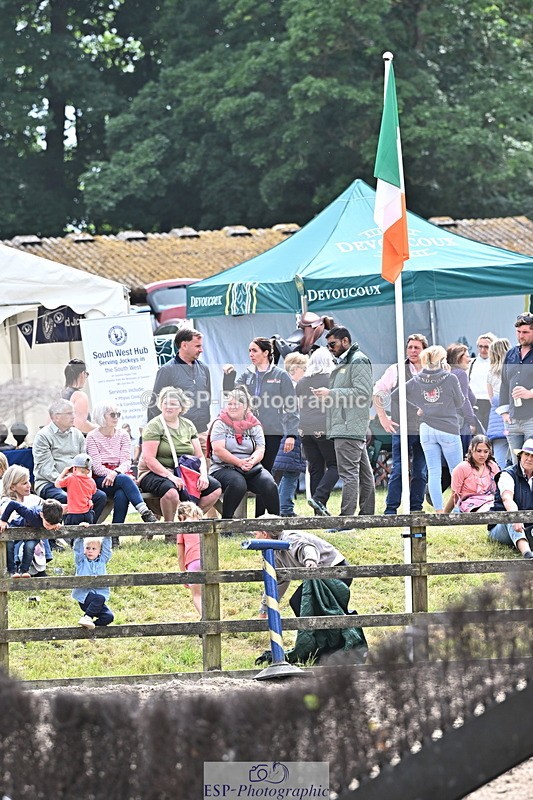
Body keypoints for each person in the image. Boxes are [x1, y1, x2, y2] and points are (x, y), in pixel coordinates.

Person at [223, 337, 299, 516]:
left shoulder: (280, 375)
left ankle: (261, 518)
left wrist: (291, 434)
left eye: (254, 350)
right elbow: (231, 395)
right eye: (249, 351)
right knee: (253, 472)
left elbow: (291, 406)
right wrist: (228, 377)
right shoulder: (247, 375)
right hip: (248, 432)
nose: (250, 354)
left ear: (266, 353)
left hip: (272, 432)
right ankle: (250, 517)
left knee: (265, 473)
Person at [312, 326, 375, 517]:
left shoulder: (357, 360)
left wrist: (330, 393)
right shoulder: (348, 361)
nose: (330, 348)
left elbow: (363, 394)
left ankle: (346, 520)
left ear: (345, 341)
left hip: (348, 426)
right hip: (348, 425)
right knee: (364, 474)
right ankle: (366, 517)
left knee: (349, 474)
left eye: (332, 344)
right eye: (328, 345)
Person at [138, 387, 221, 526]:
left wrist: (203, 476)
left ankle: (190, 521)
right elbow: (149, 459)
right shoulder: (153, 426)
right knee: (171, 491)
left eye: (173, 404)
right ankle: (170, 530)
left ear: (181, 408)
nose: (168, 407)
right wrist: (170, 476)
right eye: (165, 403)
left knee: (215, 488)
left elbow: (200, 456)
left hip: (184, 471)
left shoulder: (188, 425)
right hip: (154, 472)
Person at [398, 345, 464, 513]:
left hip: (426, 428)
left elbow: (396, 395)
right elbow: (460, 402)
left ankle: (439, 510)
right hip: (447, 427)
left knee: (434, 472)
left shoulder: (417, 379)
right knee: (457, 471)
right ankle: (457, 509)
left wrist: (419, 407)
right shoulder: (450, 378)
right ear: (441, 361)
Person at [373, 333, 428, 515]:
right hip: (402, 427)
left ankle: (416, 508)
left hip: (425, 428)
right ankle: (391, 509)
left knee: (421, 470)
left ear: (424, 350)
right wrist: (383, 417)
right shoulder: (396, 369)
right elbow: (377, 391)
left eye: (416, 347)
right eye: (410, 347)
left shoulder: (431, 369)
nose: (412, 351)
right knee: (398, 469)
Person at [255, 519, 352, 618]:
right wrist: (264, 610)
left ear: (264, 534)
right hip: (320, 575)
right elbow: (278, 581)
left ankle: (341, 624)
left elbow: (307, 547)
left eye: (256, 534)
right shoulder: (274, 551)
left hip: (335, 570)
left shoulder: (289, 538)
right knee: (301, 603)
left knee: (300, 602)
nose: (255, 537)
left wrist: (310, 560)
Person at [32, 398, 107, 526]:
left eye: (73, 413)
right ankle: (68, 532)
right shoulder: (43, 436)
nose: (74, 416)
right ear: (56, 417)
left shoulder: (77, 434)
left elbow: (85, 462)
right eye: (69, 413)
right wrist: (70, 482)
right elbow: (46, 470)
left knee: (100, 497)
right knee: (67, 498)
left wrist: (82, 480)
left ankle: (87, 530)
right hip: (50, 483)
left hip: (78, 482)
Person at [209, 388, 279, 519]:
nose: (232, 407)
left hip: (251, 467)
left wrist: (252, 461)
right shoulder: (220, 423)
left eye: (236, 404)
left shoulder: (254, 424)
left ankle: (276, 524)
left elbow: (260, 448)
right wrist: (239, 462)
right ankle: (227, 522)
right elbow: (218, 450)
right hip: (223, 467)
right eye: (229, 404)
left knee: (269, 484)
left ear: (246, 406)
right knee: (238, 483)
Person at [86, 402, 158, 526]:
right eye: (112, 415)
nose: (116, 417)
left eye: (118, 414)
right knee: (124, 480)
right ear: (101, 416)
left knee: (122, 493)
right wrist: (113, 474)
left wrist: (115, 473)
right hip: (102, 479)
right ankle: (144, 511)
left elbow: (126, 461)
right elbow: (96, 467)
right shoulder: (92, 437)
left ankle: (115, 533)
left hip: (120, 475)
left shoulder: (123, 434)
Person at [148, 328, 212, 455]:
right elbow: (154, 404)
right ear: (184, 345)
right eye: (197, 346)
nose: (201, 350)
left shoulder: (204, 368)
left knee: (206, 467)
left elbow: (207, 398)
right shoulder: (167, 370)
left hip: (201, 433)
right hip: (177, 435)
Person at [296, 346, 338, 516]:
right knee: (336, 465)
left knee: (315, 468)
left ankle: (318, 512)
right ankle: (319, 498)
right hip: (323, 426)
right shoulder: (331, 379)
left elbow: (299, 405)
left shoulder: (302, 382)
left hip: (304, 428)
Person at [272, 353, 308, 517]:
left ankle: (282, 506)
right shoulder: (293, 388)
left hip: (283, 432)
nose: (305, 372)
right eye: (304, 369)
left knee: (287, 472)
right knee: (291, 473)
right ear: (295, 369)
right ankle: (285, 508)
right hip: (291, 433)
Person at [488, 439, 533, 560]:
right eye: (526, 454)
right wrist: (516, 517)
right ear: (520, 456)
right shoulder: (507, 474)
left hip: (529, 526)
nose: (529, 459)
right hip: (501, 528)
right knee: (510, 516)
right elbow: (507, 498)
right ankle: (527, 553)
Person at [0, 496, 63, 578]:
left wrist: (57, 525)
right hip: (20, 527)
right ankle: (12, 571)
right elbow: (13, 504)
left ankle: (24, 571)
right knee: (9, 544)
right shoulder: (31, 514)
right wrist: (3, 520)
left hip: (35, 533)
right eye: (47, 524)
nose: (50, 528)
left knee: (29, 546)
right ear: (41, 515)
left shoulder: (54, 518)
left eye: (53, 525)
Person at [499, 313, 533, 462]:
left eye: (525, 332)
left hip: (531, 419)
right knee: (516, 464)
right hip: (512, 420)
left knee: (531, 464)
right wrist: (504, 413)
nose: (521, 336)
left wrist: (530, 393)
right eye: (518, 332)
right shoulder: (511, 354)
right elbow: (504, 383)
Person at [447, 435, 500, 513]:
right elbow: (455, 495)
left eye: (486, 451)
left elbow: (499, 489)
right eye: (479, 451)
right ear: (471, 450)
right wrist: (444, 514)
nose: (482, 455)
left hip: (491, 500)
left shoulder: (492, 466)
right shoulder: (461, 468)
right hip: (470, 504)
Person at [72, 535, 114, 628]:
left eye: (94, 549)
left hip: (97, 601)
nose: (90, 551)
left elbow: (107, 549)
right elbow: (77, 549)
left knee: (108, 617)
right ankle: (87, 617)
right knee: (100, 598)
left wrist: (107, 533)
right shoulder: (81, 561)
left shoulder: (102, 561)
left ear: (100, 552)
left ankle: (89, 629)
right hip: (84, 597)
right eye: (87, 548)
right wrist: (80, 535)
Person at [446, 342, 477, 453]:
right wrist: (472, 422)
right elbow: (464, 400)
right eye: (467, 356)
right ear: (459, 358)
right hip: (460, 423)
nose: (469, 360)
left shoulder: (447, 373)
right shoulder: (460, 374)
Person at [486, 338, 511, 469]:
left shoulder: (490, 373)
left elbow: (492, 400)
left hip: (496, 422)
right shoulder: (514, 370)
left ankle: (501, 480)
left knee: (500, 460)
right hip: (514, 419)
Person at [176, 501, 204, 615]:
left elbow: (180, 555)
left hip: (193, 561)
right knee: (209, 592)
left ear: (181, 516)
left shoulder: (182, 527)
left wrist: (184, 575)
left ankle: (205, 618)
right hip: (208, 559)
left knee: (197, 595)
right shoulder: (203, 523)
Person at [55, 454, 97, 525]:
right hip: (87, 513)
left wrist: (64, 472)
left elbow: (57, 484)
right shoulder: (92, 481)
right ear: (88, 470)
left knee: (70, 531)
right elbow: (94, 491)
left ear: (74, 468)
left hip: (74, 514)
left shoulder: (71, 478)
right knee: (86, 531)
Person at [468, 332, 497, 432]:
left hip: (491, 403)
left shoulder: (496, 364)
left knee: (491, 432)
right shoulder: (471, 363)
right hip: (475, 403)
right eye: (480, 346)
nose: (483, 350)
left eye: (486, 347)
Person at [62, 358, 96, 434]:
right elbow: (81, 425)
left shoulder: (59, 395)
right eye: (86, 374)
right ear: (82, 374)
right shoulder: (79, 396)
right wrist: (101, 430)